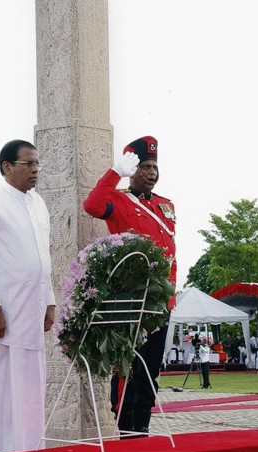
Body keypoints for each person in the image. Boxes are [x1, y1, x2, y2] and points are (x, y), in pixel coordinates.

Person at [83, 136, 177, 434]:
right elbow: (92, 205)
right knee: (129, 369)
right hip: (133, 300)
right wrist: (115, 172)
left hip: (160, 302)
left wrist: (170, 297)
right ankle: (126, 432)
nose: (152, 173)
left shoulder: (165, 205)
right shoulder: (120, 201)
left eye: (154, 167)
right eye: (145, 167)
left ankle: (143, 431)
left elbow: (171, 255)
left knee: (150, 370)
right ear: (132, 169)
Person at [0, 140, 55, 452]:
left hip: (33, 307)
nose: (35, 170)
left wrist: (49, 300)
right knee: (3, 389)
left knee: (31, 386)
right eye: (27, 164)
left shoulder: (38, 203)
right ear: (7, 167)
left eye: (37, 164)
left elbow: (42, 257)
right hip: (5, 311)